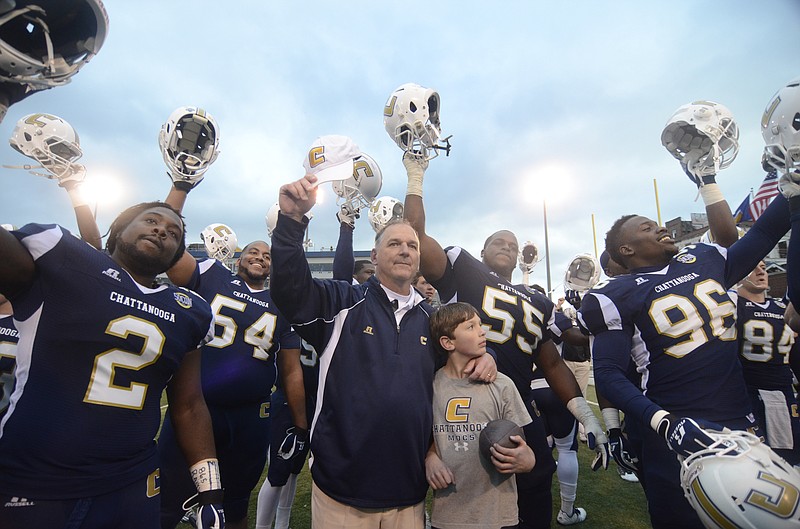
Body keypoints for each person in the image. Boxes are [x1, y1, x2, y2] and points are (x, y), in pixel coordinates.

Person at [270, 169, 497, 529]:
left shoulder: (434, 320)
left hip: (408, 488)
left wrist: (486, 356)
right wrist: (291, 221)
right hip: (342, 487)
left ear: (419, 260)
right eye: (394, 244)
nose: (405, 250)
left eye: (412, 246)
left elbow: (465, 355)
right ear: (374, 256)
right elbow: (290, 291)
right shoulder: (341, 303)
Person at [403, 154, 606, 528]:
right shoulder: (464, 269)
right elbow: (413, 238)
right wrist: (416, 176)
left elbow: (552, 363)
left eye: (513, 244)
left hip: (514, 400)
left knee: (535, 478)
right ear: (481, 251)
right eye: (498, 241)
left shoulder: (539, 300)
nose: (508, 246)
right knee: (458, 484)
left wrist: (585, 414)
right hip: (460, 396)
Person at [580, 176, 794, 529]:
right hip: (676, 430)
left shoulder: (703, 259)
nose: (661, 228)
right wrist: (664, 423)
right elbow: (607, 373)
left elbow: (764, 235)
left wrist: (790, 181)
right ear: (626, 250)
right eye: (647, 228)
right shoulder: (614, 293)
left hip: (739, 421)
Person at [0, 202, 223, 529]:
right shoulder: (64, 258)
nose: (161, 230)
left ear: (178, 255)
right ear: (117, 230)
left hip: (131, 483)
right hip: (35, 477)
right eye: (150, 220)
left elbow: (189, 405)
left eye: (173, 233)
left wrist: (211, 492)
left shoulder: (191, 312)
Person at [158, 177, 299, 529]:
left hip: (250, 415)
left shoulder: (281, 302)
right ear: (238, 259)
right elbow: (169, 253)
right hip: (195, 406)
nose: (259, 257)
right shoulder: (211, 275)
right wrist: (180, 189)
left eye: (266, 255)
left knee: (236, 502)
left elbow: (291, 369)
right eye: (253, 251)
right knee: (167, 496)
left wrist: (300, 423)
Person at [425, 302, 535, 529]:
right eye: (470, 327)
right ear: (447, 342)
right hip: (448, 516)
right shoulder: (431, 387)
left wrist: (527, 459)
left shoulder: (502, 384)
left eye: (480, 325)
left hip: (499, 516)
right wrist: (430, 457)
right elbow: (429, 437)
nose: (482, 331)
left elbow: (521, 443)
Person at [737, 262, 800, 464]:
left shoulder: (783, 307)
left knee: (789, 457)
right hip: (748, 392)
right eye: (753, 267)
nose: (761, 271)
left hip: (784, 392)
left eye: (764, 266)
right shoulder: (731, 304)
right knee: (755, 459)